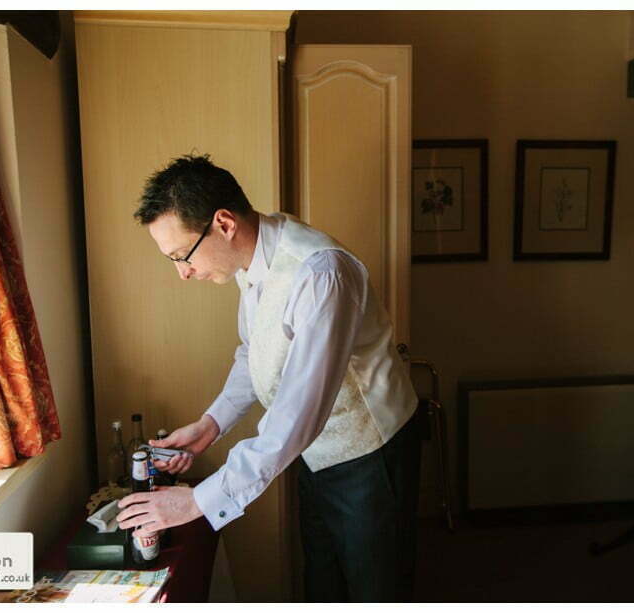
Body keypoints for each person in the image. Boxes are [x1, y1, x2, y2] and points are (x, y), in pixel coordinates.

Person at [116, 154, 421, 602]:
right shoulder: (256, 256)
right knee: (324, 581)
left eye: (181, 256)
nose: (182, 273)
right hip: (313, 453)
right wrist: (210, 425)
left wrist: (198, 501)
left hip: (370, 455)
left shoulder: (320, 273)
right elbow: (253, 352)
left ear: (223, 224)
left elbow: (297, 413)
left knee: (376, 590)